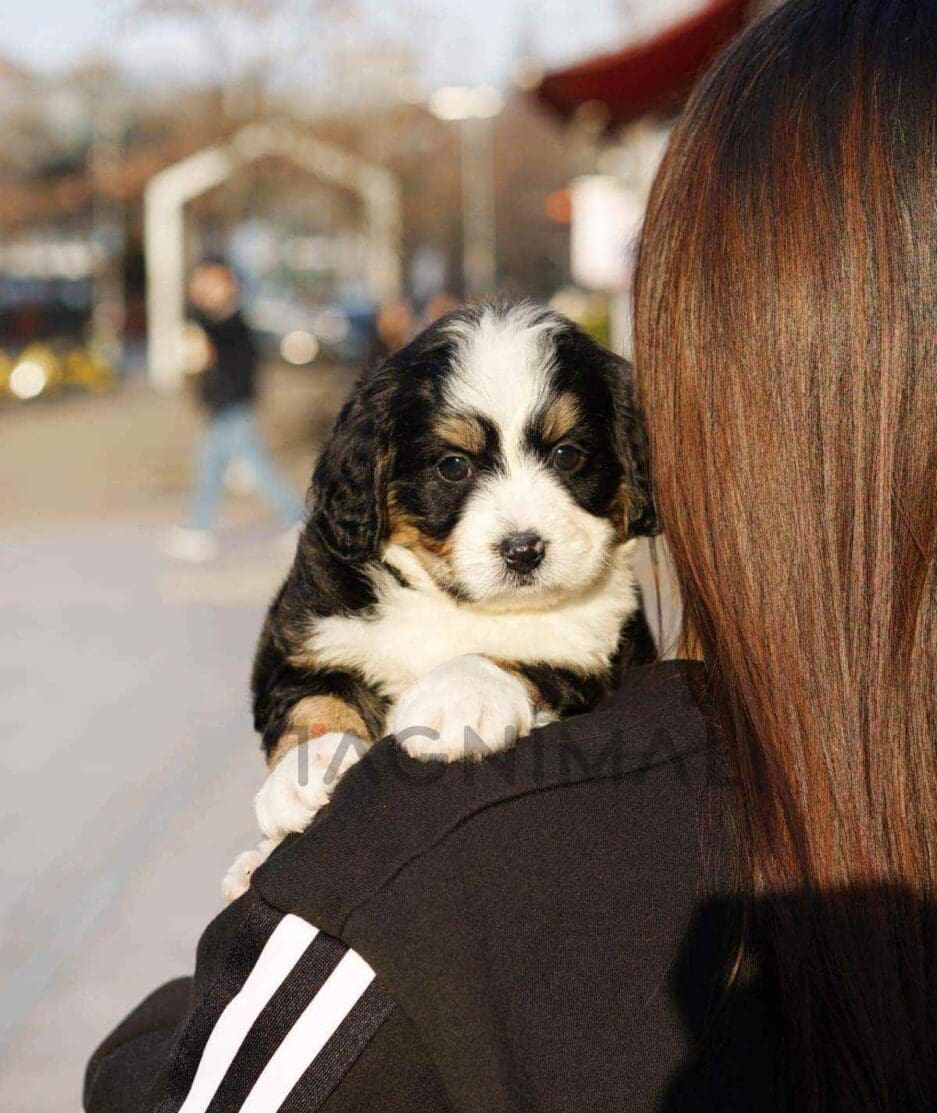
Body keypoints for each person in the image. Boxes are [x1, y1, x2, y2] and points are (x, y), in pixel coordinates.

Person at [85, 2, 937, 1109]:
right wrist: (316, 728)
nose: (520, 517)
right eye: (452, 471)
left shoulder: (444, 850)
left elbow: (171, 1082)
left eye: (572, 457)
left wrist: (295, 908)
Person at [162, 260, 305, 563]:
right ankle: (199, 528)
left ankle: (298, 519)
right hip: (222, 406)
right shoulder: (211, 322)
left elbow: (229, 359)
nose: (203, 290)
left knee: (255, 467)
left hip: (233, 407)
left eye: (211, 283)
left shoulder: (232, 323)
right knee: (211, 467)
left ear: (228, 285)